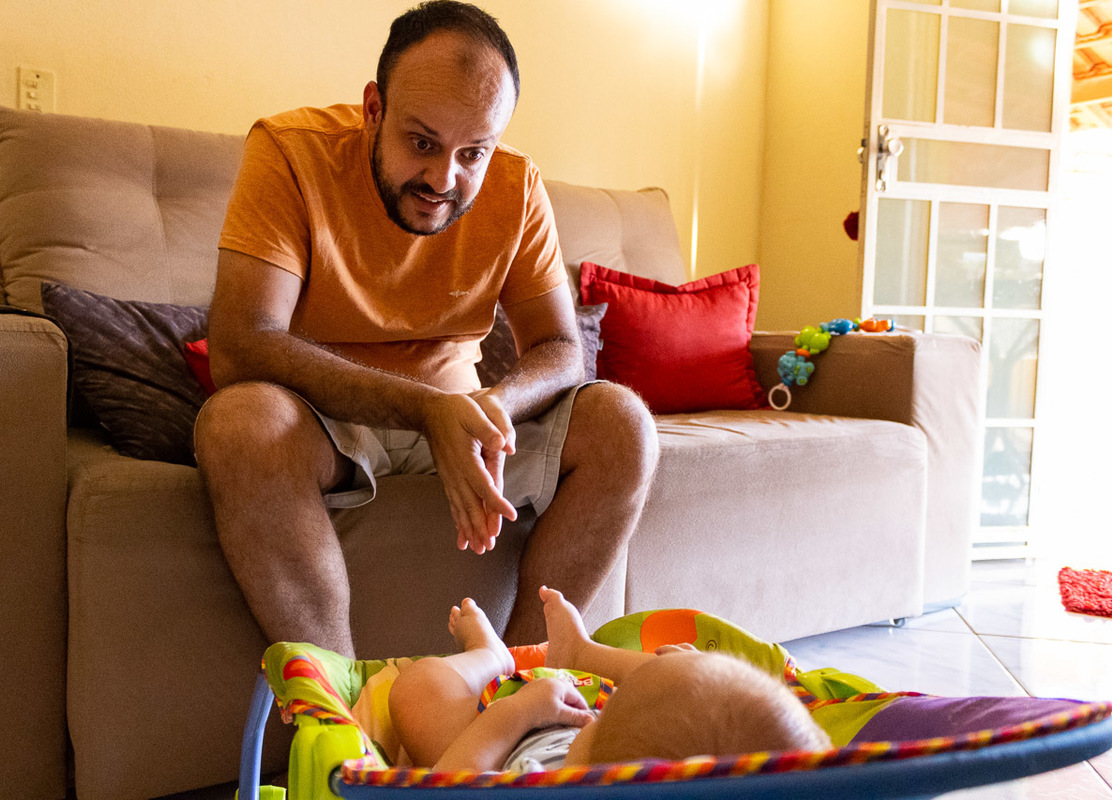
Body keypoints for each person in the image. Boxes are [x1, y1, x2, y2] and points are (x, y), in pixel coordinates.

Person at [194, 0, 659, 656]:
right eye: (422, 143)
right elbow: (242, 344)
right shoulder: (289, 152)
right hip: (326, 419)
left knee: (623, 425)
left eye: (474, 152)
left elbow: (560, 349)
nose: (445, 178)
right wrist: (427, 410)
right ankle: (342, 716)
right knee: (239, 425)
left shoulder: (517, 184)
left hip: (463, 410)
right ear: (373, 109)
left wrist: (492, 408)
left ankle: (520, 689)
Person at [385, 587, 831, 772]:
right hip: (588, 699)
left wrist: (516, 712)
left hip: (493, 721)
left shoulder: (541, 783)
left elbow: (449, 785)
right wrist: (676, 672)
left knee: (415, 692)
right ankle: (580, 652)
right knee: (695, 697)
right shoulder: (621, 740)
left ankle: (489, 657)